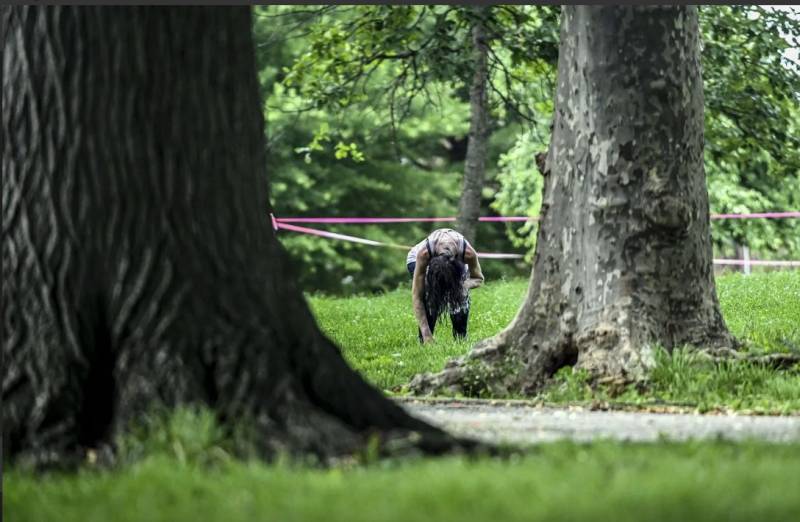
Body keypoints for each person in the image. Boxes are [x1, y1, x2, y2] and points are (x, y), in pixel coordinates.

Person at [406, 228, 484, 344]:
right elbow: (417, 296)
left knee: (459, 294)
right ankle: (425, 339)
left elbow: (479, 279)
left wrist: (461, 286)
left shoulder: (468, 253)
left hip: (456, 265)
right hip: (416, 259)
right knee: (430, 294)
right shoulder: (423, 254)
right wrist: (426, 334)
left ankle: (460, 337)